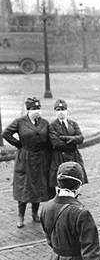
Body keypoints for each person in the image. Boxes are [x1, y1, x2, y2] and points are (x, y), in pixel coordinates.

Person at [2, 96, 52, 228]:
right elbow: (6, 133)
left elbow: (49, 139)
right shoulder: (20, 122)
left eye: (38, 108)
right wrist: (18, 144)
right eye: (34, 108)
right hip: (25, 159)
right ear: (28, 110)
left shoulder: (44, 123)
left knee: (38, 187)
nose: (37, 111)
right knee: (24, 187)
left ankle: (35, 213)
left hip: (40, 159)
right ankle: (21, 216)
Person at [48, 99, 88, 191]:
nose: (61, 112)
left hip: (74, 156)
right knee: (61, 182)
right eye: (58, 110)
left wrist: (65, 138)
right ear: (55, 112)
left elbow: (81, 138)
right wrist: (73, 140)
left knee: (76, 179)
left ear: (67, 110)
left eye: (63, 109)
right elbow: (57, 144)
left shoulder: (73, 124)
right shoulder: (52, 126)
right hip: (60, 157)